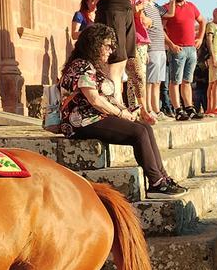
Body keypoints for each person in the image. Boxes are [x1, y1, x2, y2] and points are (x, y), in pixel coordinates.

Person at [59, 23, 186, 196]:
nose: (111, 50)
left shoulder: (90, 66)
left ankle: (162, 178)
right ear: (94, 44)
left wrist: (134, 112)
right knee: (138, 133)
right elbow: (95, 100)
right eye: (108, 46)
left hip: (94, 117)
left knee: (145, 128)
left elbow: (106, 98)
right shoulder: (81, 66)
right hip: (81, 122)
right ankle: (156, 183)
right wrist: (120, 114)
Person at [161, 0, 205, 121]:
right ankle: (178, 109)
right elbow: (160, 28)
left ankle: (189, 108)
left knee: (187, 81)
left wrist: (200, 38)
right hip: (177, 49)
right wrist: (170, 44)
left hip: (191, 49)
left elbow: (202, 21)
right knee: (175, 81)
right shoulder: (167, 7)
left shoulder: (191, 6)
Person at [137, 0, 170, 119]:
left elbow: (170, 14)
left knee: (157, 81)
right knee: (150, 81)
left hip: (161, 48)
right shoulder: (142, 4)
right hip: (151, 47)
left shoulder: (155, 6)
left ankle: (156, 110)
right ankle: (148, 109)